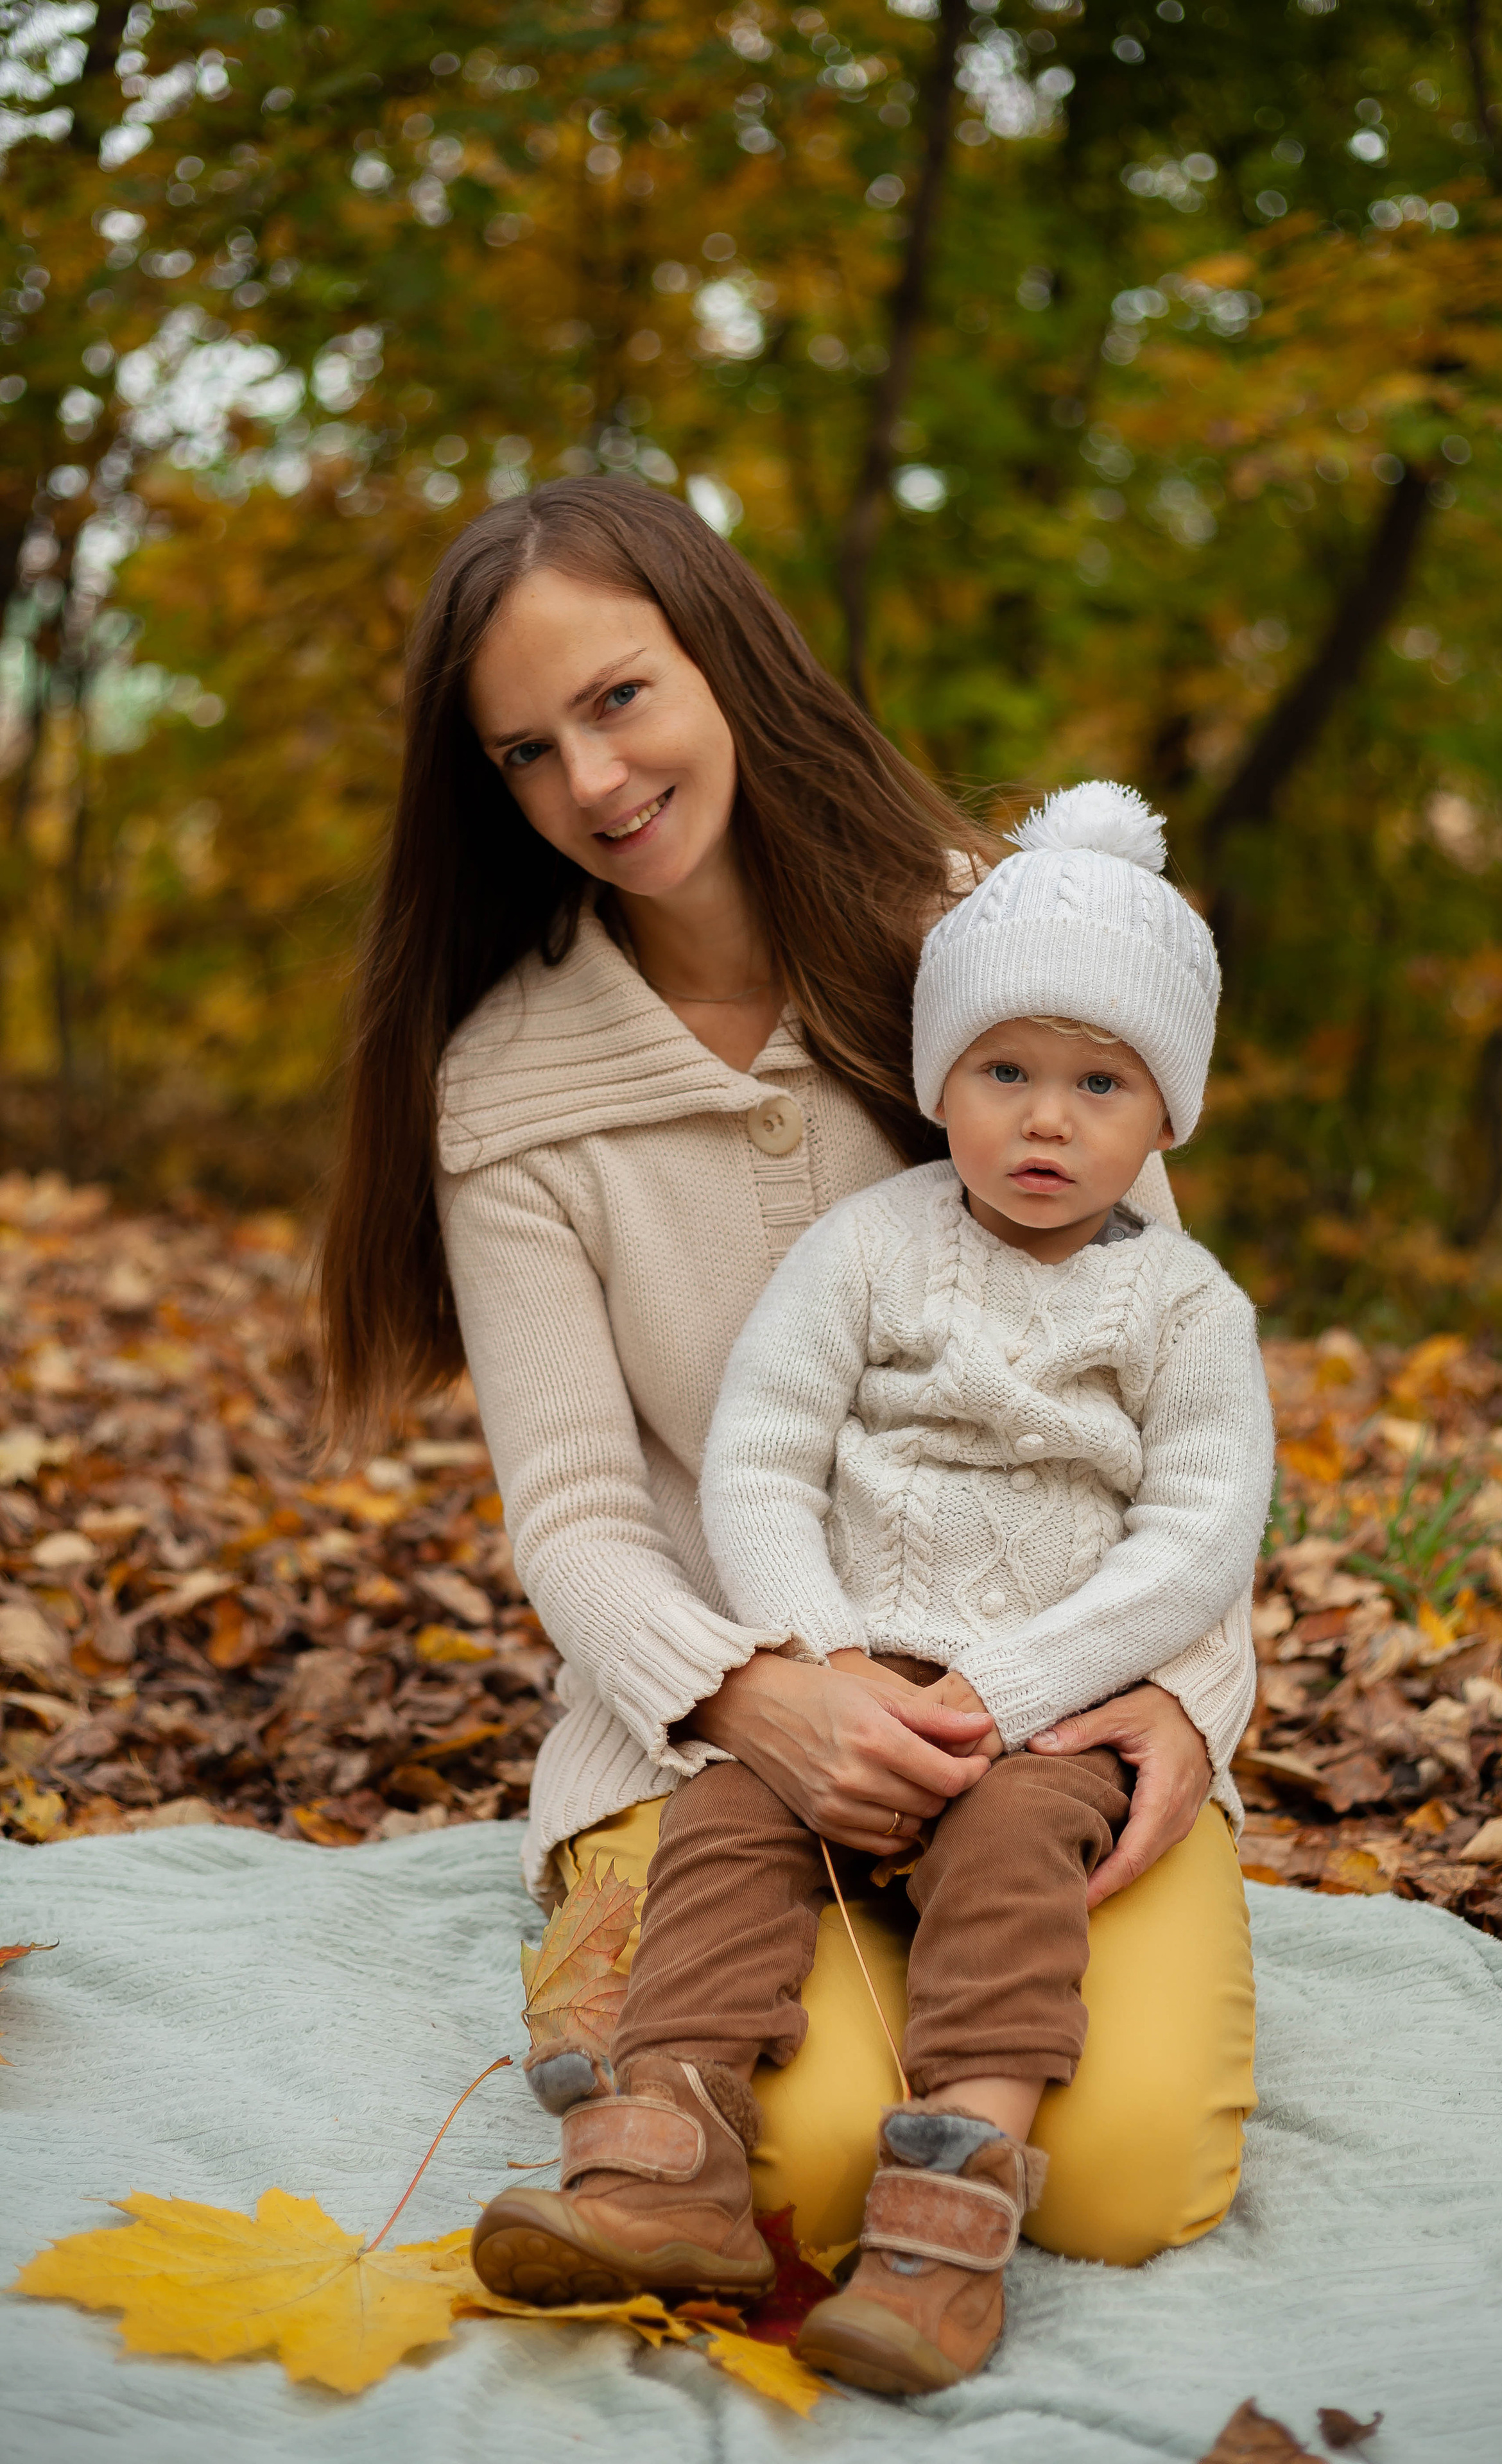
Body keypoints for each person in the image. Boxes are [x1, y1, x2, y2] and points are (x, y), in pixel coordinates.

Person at [320, 474, 1257, 2287]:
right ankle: (640, 2006)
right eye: (525, 751)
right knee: (806, 2176)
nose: (591, 782)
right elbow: (582, 1514)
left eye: (619, 699)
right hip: (722, 1737)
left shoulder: (1009, 950)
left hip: (1048, 1707)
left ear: (723, 659)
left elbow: (1181, 1391)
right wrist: (754, 1694)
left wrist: (1183, 1695)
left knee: (1125, 2180)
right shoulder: (506, 1088)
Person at [466, 784, 1272, 2392]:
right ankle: (665, 2150)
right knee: (722, 1830)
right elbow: (762, 1455)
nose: (1044, 1121)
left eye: (1096, 1084)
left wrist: (1029, 1696)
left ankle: (942, 2224)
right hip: (843, 1669)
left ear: (1164, 1118)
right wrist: (819, 1665)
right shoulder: (867, 1245)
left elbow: (1196, 1533)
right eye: (1001, 1075)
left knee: (1013, 1882)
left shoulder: (1184, 1307)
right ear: (937, 1083)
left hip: (1041, 1707)